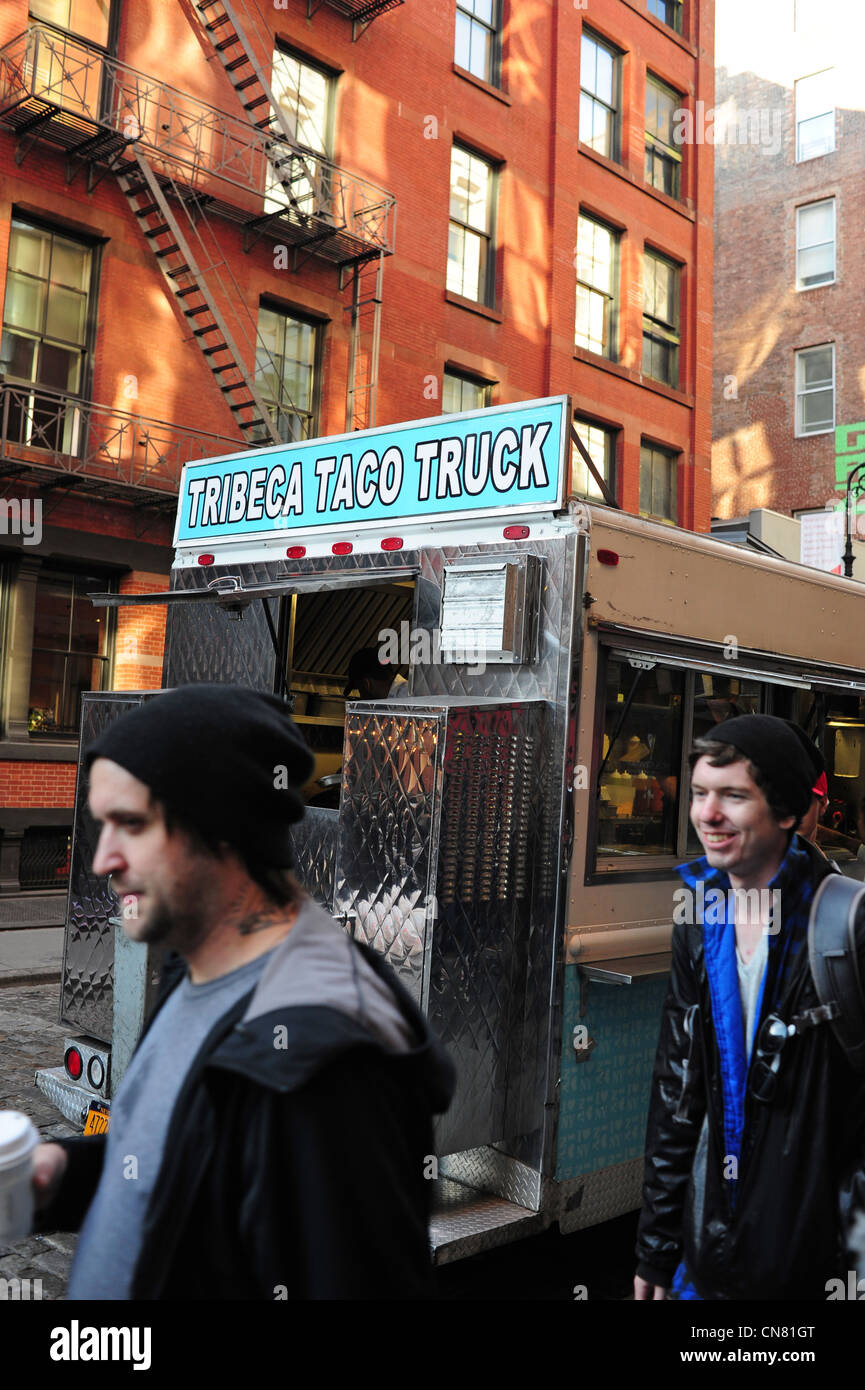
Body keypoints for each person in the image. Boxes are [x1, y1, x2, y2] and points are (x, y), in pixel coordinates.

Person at [31, 684, 455, 1300]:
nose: (103, 859)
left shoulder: (324, 1059)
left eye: (131, 824)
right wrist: (60, 1175)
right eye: (102, 825)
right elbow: (176, 1167)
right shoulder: (194, 968)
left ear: (220, 828)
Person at [634, 713, 865, 1301]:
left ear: (787, 812)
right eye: (700, 794)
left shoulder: (844, 923)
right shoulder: (700, 914)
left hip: (819, 1264)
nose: (707, 814)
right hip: (714, 1253)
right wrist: (657, 1249)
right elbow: (677, 1090)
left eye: (733, 796)